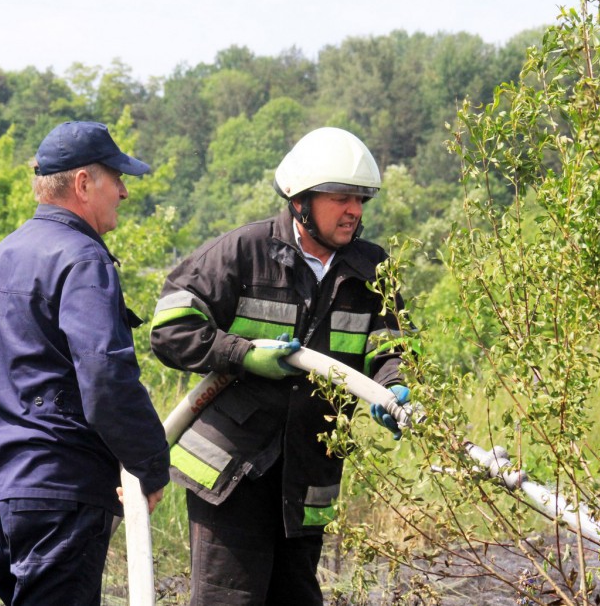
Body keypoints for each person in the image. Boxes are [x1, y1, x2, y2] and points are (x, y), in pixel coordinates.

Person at [149, 126, 415, 605]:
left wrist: (391, 386)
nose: (354, 210)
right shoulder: (243, 253)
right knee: (231, 599)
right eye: (340, 197)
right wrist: (244, 356)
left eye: (361, 199)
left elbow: (390, 345)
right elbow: (171, 329)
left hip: (307, 472)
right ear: (299, 201)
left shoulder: (371, 269)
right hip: (230, 472)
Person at [0, 121, 170, 606]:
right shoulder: (82, 258)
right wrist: (151, 465)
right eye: (116, 177)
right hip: (59, 487)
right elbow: (106, 377)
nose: (123, 191)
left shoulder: (4, 253)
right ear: (83, 183)